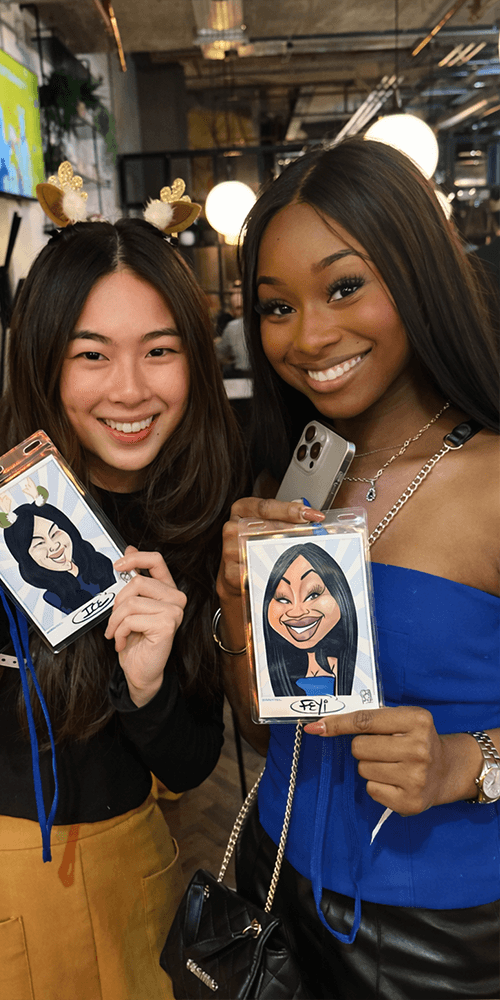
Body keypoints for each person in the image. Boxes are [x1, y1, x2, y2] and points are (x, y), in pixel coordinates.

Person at [0, 215, 245, 1000]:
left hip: (142, 877)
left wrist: (148, 685)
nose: (130, 389)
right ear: (45, 363)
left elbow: (191, 764)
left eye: (160, 351)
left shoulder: (191, 522)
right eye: (92, 355)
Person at [216, 137, 499, 999]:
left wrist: (467, 762)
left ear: (416, 275)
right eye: (275, 307)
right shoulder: (292, 477)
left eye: (345, 287)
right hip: (274, 881)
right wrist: (235, 605)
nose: (310, 336)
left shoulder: (491, 481)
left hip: (441, 929)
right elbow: (269, 729)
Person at [263, 542, 357, 698]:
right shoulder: (276, 670)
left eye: (313, 594)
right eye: (283, 598)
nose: (297, 612)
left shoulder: (342, 664)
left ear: (339, 593)